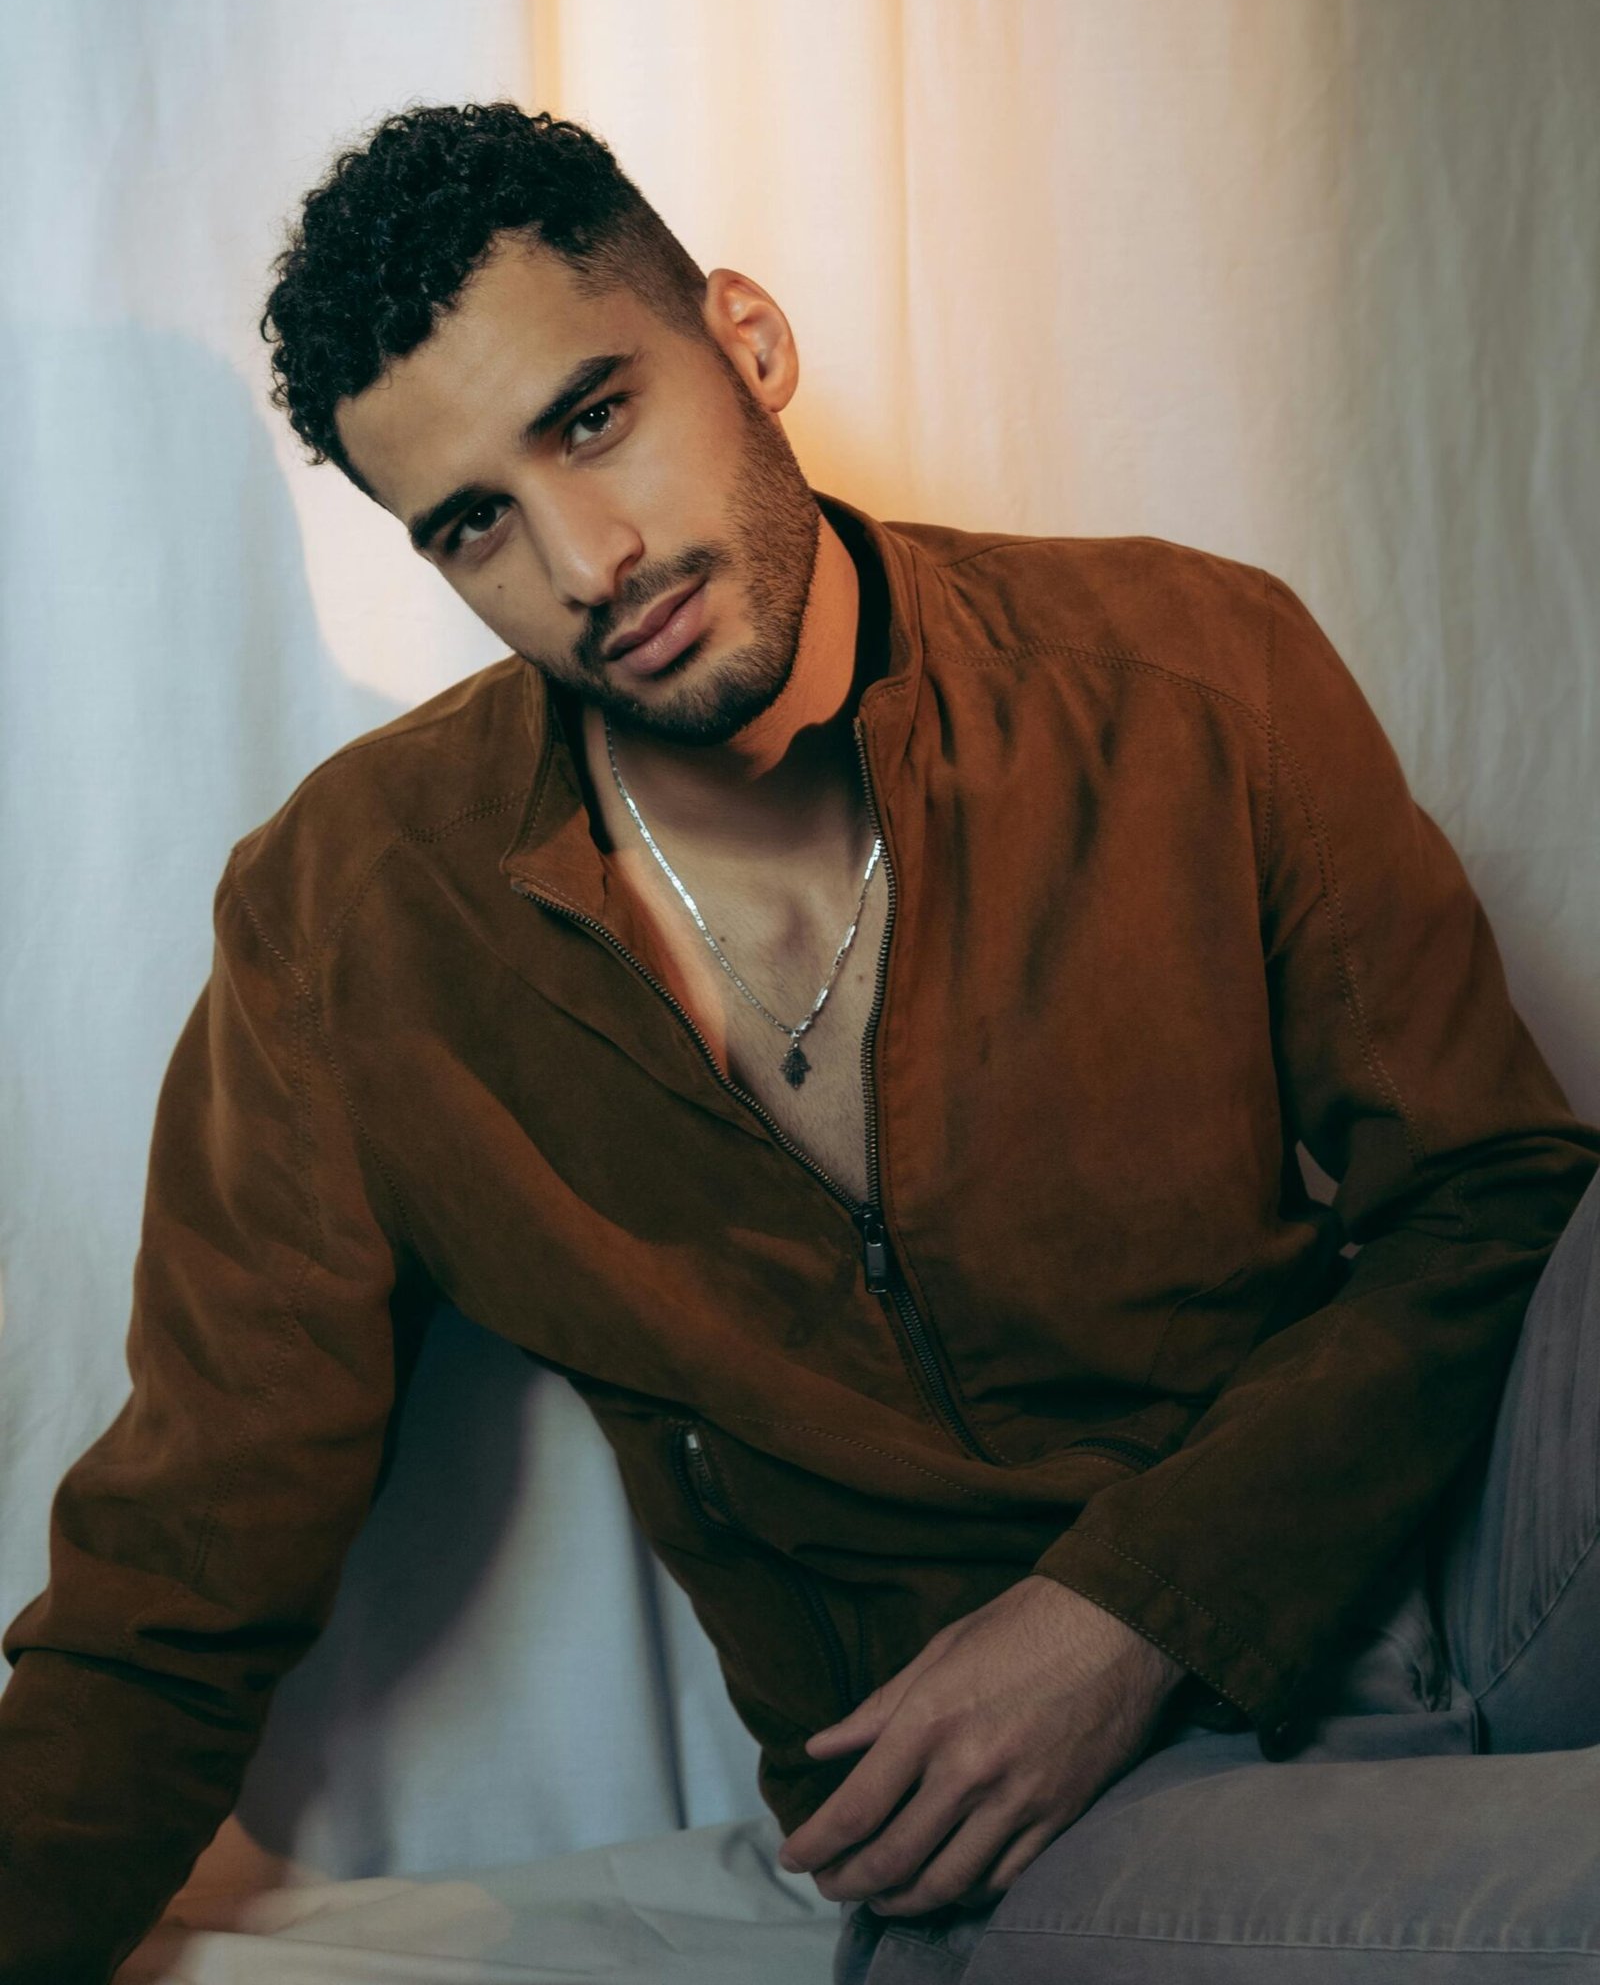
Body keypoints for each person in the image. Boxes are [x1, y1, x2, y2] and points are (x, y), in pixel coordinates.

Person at [1, 103, 1596, 1985]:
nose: (590, 559)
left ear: (743, 338)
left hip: (1455, 1551)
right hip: (1013, 1825)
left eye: (593, 415)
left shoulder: (1185, 666)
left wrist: (1131, 1608)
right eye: (475, 524)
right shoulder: (353, 934)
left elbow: (1492, 1198)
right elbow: (178, 1580)